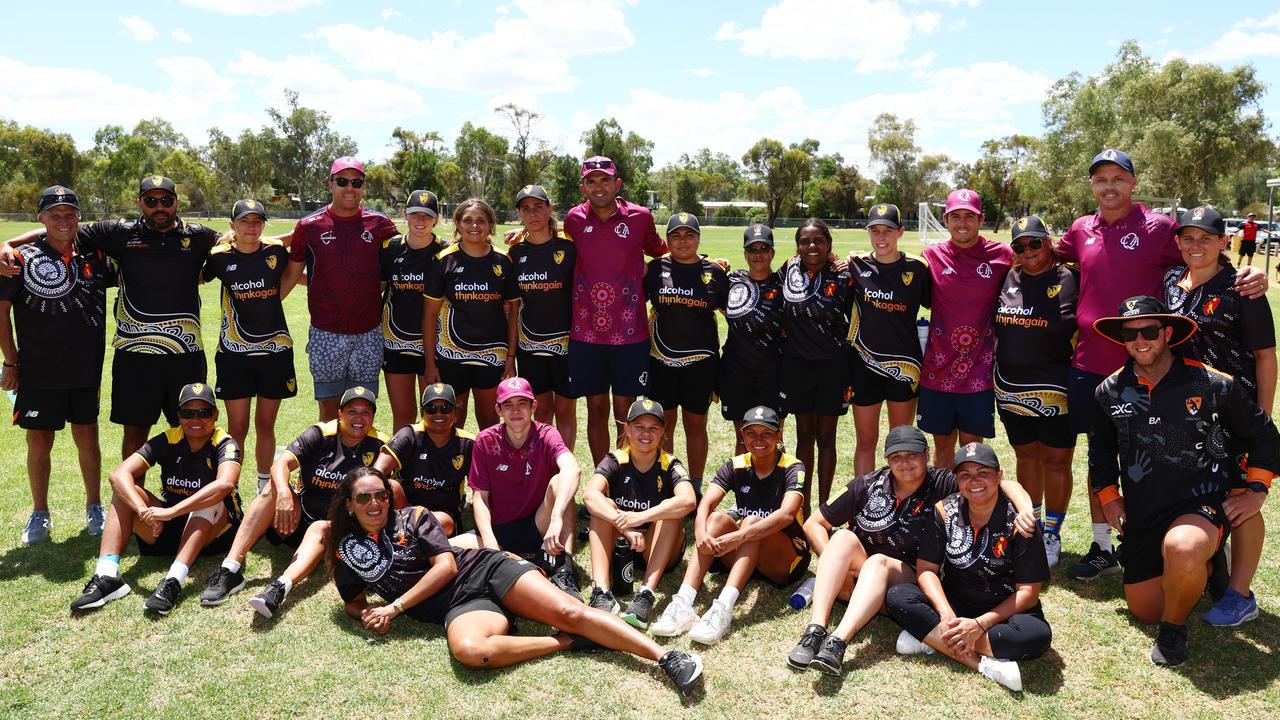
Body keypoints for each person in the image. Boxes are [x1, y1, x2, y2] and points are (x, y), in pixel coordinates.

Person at [1057, 149, 1268, 581]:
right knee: (1100, 454)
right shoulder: (1080, 229)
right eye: (1101, 179)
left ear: (1133, 183)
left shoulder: (1160, 228)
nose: (1110, 186)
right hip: (1091, 365)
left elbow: (1202, 253)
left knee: (1164, 457)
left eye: (1119, 177)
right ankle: (1103, 546)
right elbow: (1048, 256)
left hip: (1155, 368)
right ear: (1092, 185)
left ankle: (1193, 546)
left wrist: (1248, 276)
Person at [325, 467, 704, 695]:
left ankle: (668, 658)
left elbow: (445, 568)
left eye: (381, 495)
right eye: (364, 498)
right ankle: (567, 642)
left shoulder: (415, 517)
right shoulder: (347, 548)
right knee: (472, 652)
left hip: (483, 569)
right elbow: (352, 600)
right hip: (458, 607)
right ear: (348, 504)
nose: (375, 504)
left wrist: (395, 607)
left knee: (567, 609)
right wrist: (367, 613)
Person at [1089, 296, 1279, 666]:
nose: (1140, 340)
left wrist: (1257, 489)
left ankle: (1174, 632)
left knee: (1182, 548)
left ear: (1168, 333)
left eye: (1149, 331)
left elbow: (1265, 435)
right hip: (1144, 510)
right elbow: (1099, 453)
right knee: (1146, 609)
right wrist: (1111, 499)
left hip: (1200, 501)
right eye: (1130, 333)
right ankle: (1209, 568)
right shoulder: (1108, 392)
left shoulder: (1212, 383)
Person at [2, 175, 221, 460]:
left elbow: (237, 239)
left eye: (166, 201)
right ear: (139, 203)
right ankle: (131, 501)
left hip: (186, 353)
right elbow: (63, 229)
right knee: (134, 433)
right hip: (135, 355)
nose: (159, 207)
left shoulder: (199, 235)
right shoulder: (118, 233)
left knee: (190, 429)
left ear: (176, 202)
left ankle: (185, 497)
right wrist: (8, 243)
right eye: (151, 201)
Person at [787, 426, 1035, 674]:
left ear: (927, 455)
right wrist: (836, 568)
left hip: (909, 582)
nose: (904, 463)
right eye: (896, 457)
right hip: (862, 577)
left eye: (912, 455)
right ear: (887, 460)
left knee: (878, 563)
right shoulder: (867, 484)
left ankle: (838, 642)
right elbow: (814, 524)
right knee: (841, 538)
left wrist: (1025, 509)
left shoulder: (942, 483)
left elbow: (1005, 484)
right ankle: (815, 631)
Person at [1163, 206, 1276, 626]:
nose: (1196, 246)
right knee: (1200, 489)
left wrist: (1261, 418)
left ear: (1223, 242)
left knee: (1243, 498)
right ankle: (1215, 569)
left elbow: (1265, 357)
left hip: (1235, 411)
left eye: (1206, 238)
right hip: (1187, 412)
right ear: (1178, 242)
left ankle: (1240, 594)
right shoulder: (1171, 282)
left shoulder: (1242, 288)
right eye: (1188, 238)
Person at [199, 386, 388, 615]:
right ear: (339, 413)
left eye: (366, 413)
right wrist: (285, 494)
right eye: (352, 411)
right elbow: (281, 464)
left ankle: (279, 588)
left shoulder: (380, 445)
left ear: (373, 418)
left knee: (322, 527)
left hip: (340, 531)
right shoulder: (320, 434)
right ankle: (230, 570)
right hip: (297, 519)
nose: (358, 418)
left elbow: (392, 491)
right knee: (272, 489)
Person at [885, 442, 1052, 692]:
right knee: (898, 596)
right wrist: (945, 614)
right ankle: (982, 664)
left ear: (999, 476)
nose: (974, 481)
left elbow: (1028, 594)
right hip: (956, 602)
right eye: (965, 475)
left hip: (1003, 612)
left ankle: (933, 637)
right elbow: (927, 570)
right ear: (957, 480)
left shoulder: (1020, 523)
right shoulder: (944, 510)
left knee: (1036, 636)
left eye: (983, 473)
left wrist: (980, 625)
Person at [0, 186, 113, 544]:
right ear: (42, 219)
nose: (63, 221)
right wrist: (11, 362)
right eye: (54, 215)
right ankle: (39, 513)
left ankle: (94, 506)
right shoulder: (21, 259)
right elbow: (1, 313)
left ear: (79, 216)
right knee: (39, 440)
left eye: (69, 213)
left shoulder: (95, 253)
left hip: (85, 367)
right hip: (38, 370)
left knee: (87, 436)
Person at [71, 383, 242, 615]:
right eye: (187, 413)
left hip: (213, 533)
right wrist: (143, 510)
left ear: (215, 415)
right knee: (124, 492)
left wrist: (170, 512)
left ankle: (173, 581)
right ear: (178, 416)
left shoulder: (224, 442)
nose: (195, 419)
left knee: (211, 497)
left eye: (203, 413)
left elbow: (225, 485)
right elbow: (118, 475)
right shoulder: (169, 438)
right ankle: (107, 576)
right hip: (164, 527)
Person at [651, 406, 809, 645]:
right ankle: (683, 602)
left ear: (779, 437)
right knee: (714, 519)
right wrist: (701, 531)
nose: (758, 440)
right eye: (751, 433)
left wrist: (739, 537)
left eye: (766, 433)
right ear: (742, 437)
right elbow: (705, 504)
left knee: (753, 523)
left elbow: (787, 515)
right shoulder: (735, 464)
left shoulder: (793, 466)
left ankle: (723, 609)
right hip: (746, 552)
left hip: (785, 557)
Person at [562, 156, 667, 466]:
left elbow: (660, 249)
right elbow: (554, 243)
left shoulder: (640, 216)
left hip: (630, 333)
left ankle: (625, 479)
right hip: (586, 335)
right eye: (591, 181)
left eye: (604, 180)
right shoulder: (574, 219)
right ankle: (602, 477)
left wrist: (703, 259)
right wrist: (523, 236)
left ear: (617, 184)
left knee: (625, 411)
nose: (598, 186)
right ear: (583, 187)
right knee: (596, 409)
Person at [282, 157, 399, 421]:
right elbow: (291, 273)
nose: (350, 188)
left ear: (363, 187)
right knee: (328, 413)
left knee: (362, 412)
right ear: (331, 184)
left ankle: (359, 463)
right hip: (326, 333)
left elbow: (409, 250)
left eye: (356, 182)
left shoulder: (380, 224)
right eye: (343, 181)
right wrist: (265, 305)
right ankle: (328, 462)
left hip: (368, 334)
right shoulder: (309, 226)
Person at [993, 215, 1080, 567]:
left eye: (1035, 242)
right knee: (1026, 457)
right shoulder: (1008, 277)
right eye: (1020, 246)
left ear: (1048, 242)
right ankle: (1032, 523)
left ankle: (1052, 532)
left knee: (1057, 460)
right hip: (1010, 386)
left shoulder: (1069, 277)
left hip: (1055, 386)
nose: (1028, 251)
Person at [203, 199, 297, 493]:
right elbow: (192, 277)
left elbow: (297, 259)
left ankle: (262, 486)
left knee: (265, 425)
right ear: (233, 225)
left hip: (275, 352)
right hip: (234, 355)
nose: (251, 227)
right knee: (238, 428)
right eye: (244, 221)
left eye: (257, 221)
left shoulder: (276, 252)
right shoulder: (219, 257)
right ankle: (228, 490)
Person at [582, 398, 697, 628]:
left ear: (664, 432)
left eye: (654, 428)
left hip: (658, 546)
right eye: (639, 427)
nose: (646, 433)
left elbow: (689, 500)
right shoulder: (616, 459)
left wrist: (642, 517)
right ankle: (602, 592)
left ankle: (646, 594)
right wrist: (623, 524)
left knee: (670, 515)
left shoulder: (670, 463)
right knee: (601, 510)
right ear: (627, 429)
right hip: (623, 543)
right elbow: (589, 495)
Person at [919, 189, 1012, 469]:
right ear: (946, 220)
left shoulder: (1002, 255)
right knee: (943, 448)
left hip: (978, 375)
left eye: (969, 216)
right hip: (937, 372)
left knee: (973, 451)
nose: (962, 223)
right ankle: (944, 509)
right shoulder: (930, 257)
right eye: (955, 216)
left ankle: (972, 511)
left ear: (981, 219)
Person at [467, 377, 582, 599]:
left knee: (561, 483)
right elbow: (479, 497)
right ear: (498, 410)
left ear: (533, 406)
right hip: (500, 530)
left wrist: (556, 518)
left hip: (539, 525)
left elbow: (572, 469)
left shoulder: (546, 434)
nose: (516, 411)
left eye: (522, 403)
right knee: (447, 550)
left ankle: (565, 567)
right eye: (508, 405)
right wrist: (490, 542)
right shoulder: (485, 440)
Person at [643, 212, 729, 489]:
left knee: (695, 425)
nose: (682, 241)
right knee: (663, 426)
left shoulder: (714, 272)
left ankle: (693, 484)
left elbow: (734, 314)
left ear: (698, 238)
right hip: (661, 360)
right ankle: (667, 484)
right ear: (667, 239)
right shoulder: (655, 270)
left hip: (701, 362)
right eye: (676, 235)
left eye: (689, 235)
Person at [848, 203, 931, 476]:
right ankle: (862, 506)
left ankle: (899, 508)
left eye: (888, 231)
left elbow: (938, 304)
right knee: (866, 442)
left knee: (901, 444)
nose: (881, 237)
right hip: (864, 366)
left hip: (904, 367)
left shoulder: (917, 269)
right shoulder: (856, 265)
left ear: (900, 232)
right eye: (875, 231)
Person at [780, 219, 855, 512]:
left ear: (829, 244)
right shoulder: (788, 271)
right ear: (798, 247)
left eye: (819, 241)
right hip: (797, 366)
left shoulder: (844, 276)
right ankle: (802, 506)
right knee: (803, 437)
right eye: (805, 241)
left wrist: (846, 260)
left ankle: (824, 508)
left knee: (826, 438)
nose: (812, 246)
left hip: (832, 367)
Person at [424, 198, 517, 430]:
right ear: (457, 223)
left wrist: (510, 358)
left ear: (490, 225)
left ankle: (488, 466)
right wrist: (429, 363)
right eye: (467, 220)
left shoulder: (503, 261)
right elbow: (429, 315)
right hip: (452, 355)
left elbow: (513, 311)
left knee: (489, 421)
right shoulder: (444, 260)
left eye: (480, 221)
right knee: (453, 422)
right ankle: (454, 466)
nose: (474, 226)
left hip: (492, 354)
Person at [508, 185, 578, 448]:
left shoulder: (569, 248)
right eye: (526, 208)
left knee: (566, 412)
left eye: (538, 206)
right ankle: (546, 470)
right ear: (519, 214)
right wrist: (513, 356)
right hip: (531, 347)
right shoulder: (515, 254)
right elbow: (513, 308)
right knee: (542, 412)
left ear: (550, 209)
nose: (533, 213)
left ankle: (566, 473)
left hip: (568, 345)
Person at [372, 382, 475, 536]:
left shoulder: (467, 443)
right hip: (405, 505)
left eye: (446, 408)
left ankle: (403, 533)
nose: (438, 414)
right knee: (390, 486)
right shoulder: (409, 434)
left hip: (443, 510)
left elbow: (483, 486)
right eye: (431, 409)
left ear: (455, 413)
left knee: (443, 523)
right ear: (422, 412)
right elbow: (376, 472)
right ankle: (409, 532)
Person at [381, 190, 445, 430]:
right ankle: (402, 467)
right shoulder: (390, 248)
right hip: (396, 342)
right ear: (405, 214)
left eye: (427, 216)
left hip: (434, 345)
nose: (421, 221)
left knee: (433, 413)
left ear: (436, 219)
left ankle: (429, 467)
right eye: (415, 214)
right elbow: (378, 289)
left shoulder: (445, 251)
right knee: (403, 414)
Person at [719, 223, 786, 454]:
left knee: (773, 438)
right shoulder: (732, 280)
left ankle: (778, 488)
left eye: (764, 248)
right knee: (742, 439)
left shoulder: (784, 284)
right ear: (745, 253)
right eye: (752, 249)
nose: (758, 254)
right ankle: (743, 489)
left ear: (773, 253)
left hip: (773, 373)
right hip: (736, 372)